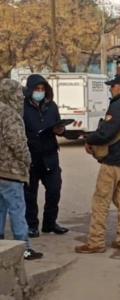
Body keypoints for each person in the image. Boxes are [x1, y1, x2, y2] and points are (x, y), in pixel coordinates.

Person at [75, 74, 120, 254]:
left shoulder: (119, 105)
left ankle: (96, 242)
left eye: (112, 86)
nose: (110, 89)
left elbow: (106, 133)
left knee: (101, 201)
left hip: (114, 160)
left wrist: (89, 138)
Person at [0, 79, 43, 260]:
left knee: (0, 209)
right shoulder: (10, 114)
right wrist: (27, 160)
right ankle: (23, 248)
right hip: (11, 171)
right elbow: (17, 142)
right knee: (17, 209)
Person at [23, 74, 68, 238]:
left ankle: (50, 223)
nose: (40, 92)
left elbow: (59, 125)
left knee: (54, 190)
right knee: (30, 194)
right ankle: (31, 225)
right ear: (30, 90)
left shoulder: (52, 106)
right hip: (31, 157)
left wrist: (61, 130)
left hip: (50, 156)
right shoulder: (22, 107)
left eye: (43, 89)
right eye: (37, 89)